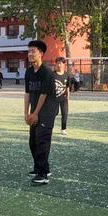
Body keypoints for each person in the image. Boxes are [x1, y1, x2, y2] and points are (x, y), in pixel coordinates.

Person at [25, 40, 58, 185]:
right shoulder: (29, 72)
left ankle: (43, 175)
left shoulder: (47, 73)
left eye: (33, 51)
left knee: (41, 140)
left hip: (47, 111)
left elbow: (44, 95)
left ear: (41, 54)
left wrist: (36, 113)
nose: (30, 54)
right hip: (35, 111)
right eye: (29, 51)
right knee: (32, 141)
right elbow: (27, 93)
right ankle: (42, 167)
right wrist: (26, 113)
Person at [54, 57, 70, 135]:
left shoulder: (67, 75)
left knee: (65, 113)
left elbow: (67, 87)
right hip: (54, 99)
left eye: (60, 63)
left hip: (63, 98)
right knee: (54, 113)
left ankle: (63, 129)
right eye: (57, 63)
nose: (58, 65)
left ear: (64, 64)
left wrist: (68, 97)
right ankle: (49, 127)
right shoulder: (52, 75)